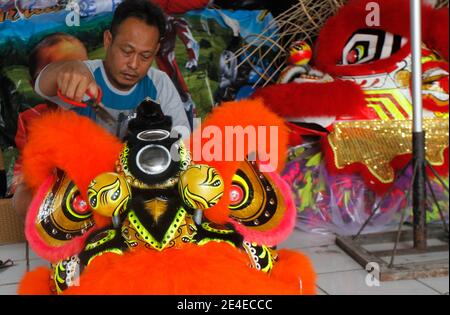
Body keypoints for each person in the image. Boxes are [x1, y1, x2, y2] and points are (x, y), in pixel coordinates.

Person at [35, 0, 191, 139]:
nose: (134, 64)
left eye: (145, 56)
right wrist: (70, 67)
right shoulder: (85, 75)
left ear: (156, 51)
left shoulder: (159, 82)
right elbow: (42, 86)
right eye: (126, 51)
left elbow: (182, 137)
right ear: (108, 40)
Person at [12, 33, 89, 219]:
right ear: (35, 84)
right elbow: (22, 183)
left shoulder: (105, 108)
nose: (72, 80)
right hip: (58, 205)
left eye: (83, 68)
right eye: (57, 72)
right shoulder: (31, 120)